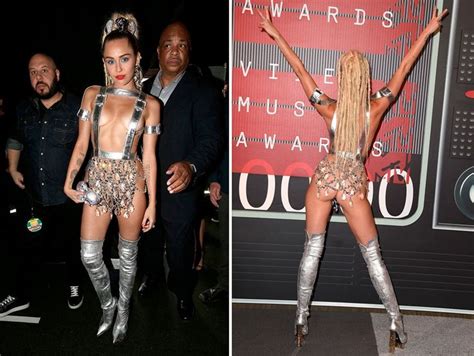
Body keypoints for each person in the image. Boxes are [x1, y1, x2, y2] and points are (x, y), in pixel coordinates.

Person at [257, 5, 448, 351]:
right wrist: (428, 30)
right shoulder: (376, 107)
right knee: (373, 256)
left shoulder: (328, 106)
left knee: (311, 252)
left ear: (343, 78)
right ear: (365, 79)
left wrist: (275, 34)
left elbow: (300, 70)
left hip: (326, 177)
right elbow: (405, 66)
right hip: (350, 183)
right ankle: (395, 322)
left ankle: (301, 317)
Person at [63, 12, 160, 343]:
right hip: (97, 179)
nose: (118, 68)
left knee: (128, 256)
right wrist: (68, 180)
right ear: (103, 62)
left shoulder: (150, 104)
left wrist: (153, 203)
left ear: (137, 59)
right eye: (110, 61)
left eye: (124, 59)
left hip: (133, 184)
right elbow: (80, 145)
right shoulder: (93, 94)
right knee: (89, 255)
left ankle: (124, 312)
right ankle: (108, 304)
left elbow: (149, 156)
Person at [140, 21, 222, 320]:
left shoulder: (204, 91)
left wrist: (192, 164)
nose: (175, 51)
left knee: (180, 246)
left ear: (189, 51)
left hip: (179, 186)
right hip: (144, 186)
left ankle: (184, 293)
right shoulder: (142, 90)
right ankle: (152, 277)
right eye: (168, 45)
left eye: (182, 45)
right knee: (148, 238)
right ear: (158, 51)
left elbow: (212, 139)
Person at [2, 53, 84, 317]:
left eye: (44, 70)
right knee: (27, 245)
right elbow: (16, 139)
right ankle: (20, 295)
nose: (38, 77)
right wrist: (12, 168)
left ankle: (74, 285)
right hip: (34, 197)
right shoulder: (24, 108)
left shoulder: (77, 107)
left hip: (68, 197)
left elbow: (90, 147)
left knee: (73, 246)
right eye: (33, 72)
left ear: (57, 74)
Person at [199, 80, 229, 304]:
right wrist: (215, 180)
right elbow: (220, 143)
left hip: (257, 177)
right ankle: (224, 286)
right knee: (226, 240)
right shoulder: (225, 106)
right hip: (228, 180)